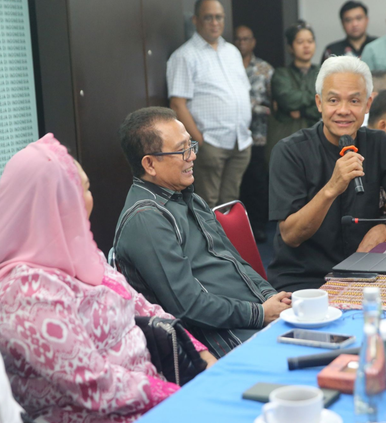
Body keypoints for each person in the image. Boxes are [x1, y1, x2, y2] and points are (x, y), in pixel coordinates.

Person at [0, 134, 216, 422]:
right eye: (83, 190)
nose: (91, 199)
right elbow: (93, 385)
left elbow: (141, 305)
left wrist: (197, 353)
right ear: (54, 203)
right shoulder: (26, 289)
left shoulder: (77, 252)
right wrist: (177, 394)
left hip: (150, 394)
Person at [115, 107, 291, 358]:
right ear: (150, 164)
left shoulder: (190, 199)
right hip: (222, 342)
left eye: (191, 145)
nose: (193, 156)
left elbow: (236, 264)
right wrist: (261, 314)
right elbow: (188, 306)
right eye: (182, 150)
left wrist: (274, 300)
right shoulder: (146, 219)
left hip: (253, 320)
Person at [268, 56, 386, 293]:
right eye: (333, 100)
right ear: (319, 103)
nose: (343, 111)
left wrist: (384, 229)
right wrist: (331, 189)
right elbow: (291, 235)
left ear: (367, 105)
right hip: (304, 280)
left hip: (365, 268)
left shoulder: (379, 144)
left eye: (354, 101)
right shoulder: (289, 151)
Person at [167, 0, 252, 208]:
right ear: (195, 20)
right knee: (208, 205)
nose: (215, 22)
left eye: (219, 17)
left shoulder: (232, 51)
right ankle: (210, 242)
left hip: (240, 141)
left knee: (231, 204)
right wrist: (200, 140)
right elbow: (177, 104)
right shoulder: (184, 56)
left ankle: (227, 242)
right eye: (208, 17)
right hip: (211, 144)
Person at [234, 25, 274, 243]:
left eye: (246, 39)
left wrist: (252, 107)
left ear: (253, 42)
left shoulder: (264, 69)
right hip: (234, 134)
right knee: (238, 184)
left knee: (258, 181)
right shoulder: (228, 66)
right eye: (238, 39)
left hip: (258, 134)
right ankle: (238, 229)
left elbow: (272, 104)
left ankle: (258, 227)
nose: (242, 43)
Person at [268, 20, 321, 161]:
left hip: (317, 140)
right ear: (290, 47)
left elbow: (326, 103)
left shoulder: (323, 72)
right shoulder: (281, 74)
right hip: (286, 137)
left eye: (310, 41)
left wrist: (302, 111)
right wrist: (315, 97)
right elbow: (288, 100)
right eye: (300, 42)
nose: (306, 46)